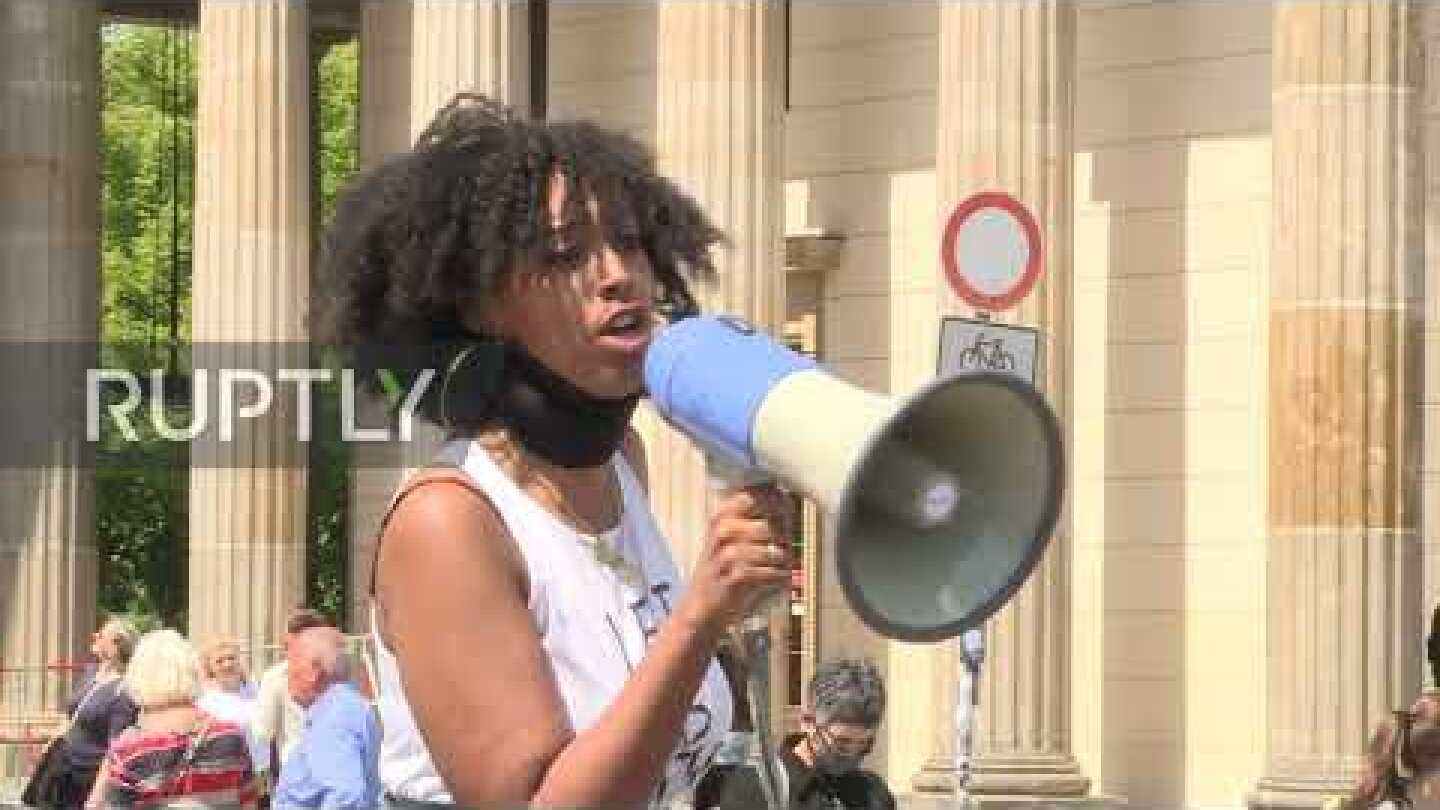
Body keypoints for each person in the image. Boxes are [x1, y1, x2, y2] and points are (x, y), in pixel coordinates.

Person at [315, 93, 791, 808]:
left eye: (628, 242)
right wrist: (700, 617)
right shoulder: (447, 523)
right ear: (481, 306)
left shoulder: (624, 463)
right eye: (566, 252)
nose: (617, 274)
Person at [88, 629, 257, 809]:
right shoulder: (231, 734)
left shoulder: (129, 748)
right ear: (193, 671)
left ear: (139, 677)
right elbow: (248, 802)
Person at [714, 658, 895, 810]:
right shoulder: (754, 788)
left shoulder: (873, 794)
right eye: (842, 744)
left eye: (864, 745)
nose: (852, 756)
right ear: (808, 722)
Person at [30, 617, 141, 808]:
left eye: (102, 634)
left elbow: (115, 749)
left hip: (87, 777)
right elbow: (71, 715)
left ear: (117, 644)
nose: (95, 636)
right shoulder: (91, 673)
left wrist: (97, 796)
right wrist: (50, 743)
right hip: (61, 767)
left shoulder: (123, 691)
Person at [271, 626, 381, 809]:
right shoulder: (345, 705)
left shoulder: (333, 717)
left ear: (313, 671)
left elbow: (346, 797)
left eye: (291, 665)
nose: (287, 675)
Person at [252, 608, 332, 786]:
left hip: (296, 770)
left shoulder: (276, 675)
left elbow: (263, 731)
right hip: (336, 766)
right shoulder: (338, 673)